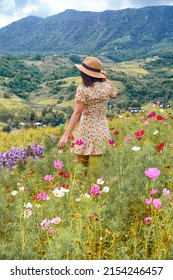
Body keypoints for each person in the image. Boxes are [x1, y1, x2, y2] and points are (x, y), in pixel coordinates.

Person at [57, 56, 118, 167]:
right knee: (99, 168)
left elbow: (77, 113)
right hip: (101, 129)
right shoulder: (106, 87)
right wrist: (105, 78)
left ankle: (82, 183)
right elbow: (114, 93)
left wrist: (65, 135)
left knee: (81, 166)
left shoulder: (83, 89)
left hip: (86, 130)